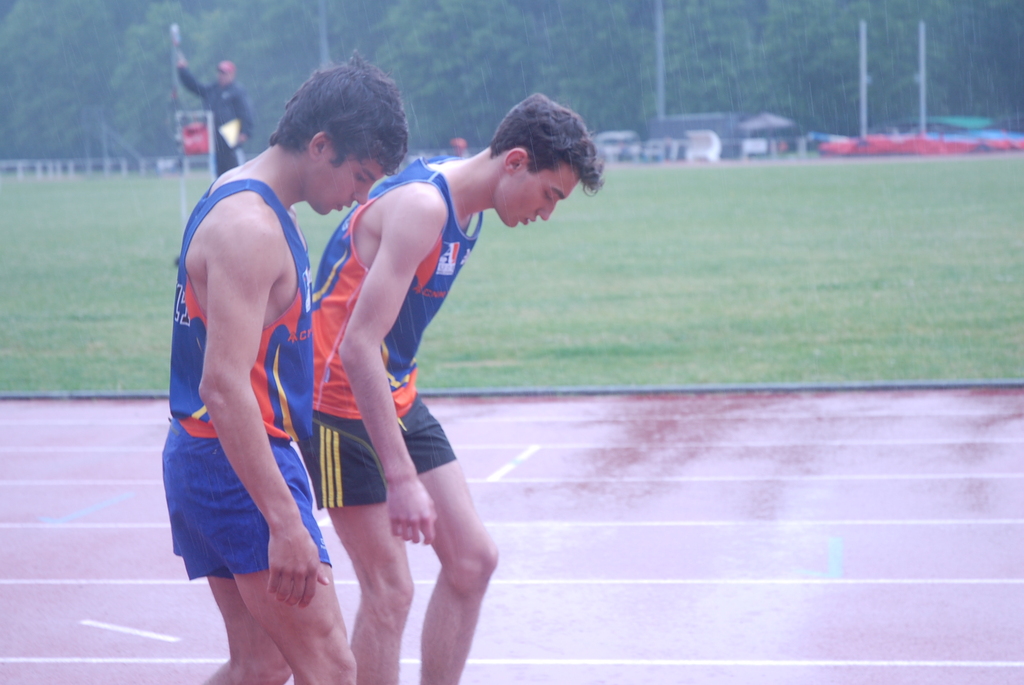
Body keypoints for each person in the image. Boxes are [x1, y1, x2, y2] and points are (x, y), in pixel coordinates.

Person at [302, 93, 603, 685]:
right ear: (515, 161)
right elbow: (358, 347)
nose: (547, 213)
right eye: (550, 195)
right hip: (335, 402)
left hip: (392, 392)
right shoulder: (423, 208)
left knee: (472, 561)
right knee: (390, 590)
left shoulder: (469, 209)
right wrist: (401, 478)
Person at [162, 54, 407, 685]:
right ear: (320, 145)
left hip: (211, 456)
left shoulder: (251, 199)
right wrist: (283, 519)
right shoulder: (252, 228)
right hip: (234, 462)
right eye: (360, 176)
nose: (360, 197)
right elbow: (222, 385)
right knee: (332, 667)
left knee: (260, 667)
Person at [177, 56, 255, 176]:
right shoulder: (213, 89)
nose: (221, 75)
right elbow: (194, 86)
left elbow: (246, 111)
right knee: (219, 171)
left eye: (224, 73)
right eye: (220, 72)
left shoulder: (237, 91)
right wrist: (183, 71)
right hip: (214, 136)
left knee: (235, 170)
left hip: (231, 134)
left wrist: (245, 132)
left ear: (232, 74)